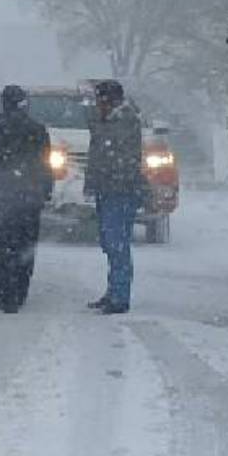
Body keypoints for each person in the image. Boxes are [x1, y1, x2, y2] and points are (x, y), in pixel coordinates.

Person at [0, 85, 52, 313]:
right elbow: (45, 163)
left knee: (0, 247)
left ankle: (5, 292)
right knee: (25, 245)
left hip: (1, 196)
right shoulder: (37, 129)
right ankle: (20, 290)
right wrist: (46, 190)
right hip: (30, 197)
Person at [85, 79, 144, 315]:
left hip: (120, 190)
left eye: (99, 100)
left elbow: (115, 155)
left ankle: (120, 296)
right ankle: (114, 291)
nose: (97, 105)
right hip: (108, 188)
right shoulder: (110, 120)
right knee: (110, 243)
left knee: (117, 243)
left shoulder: (124, 122)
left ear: (110, 101)